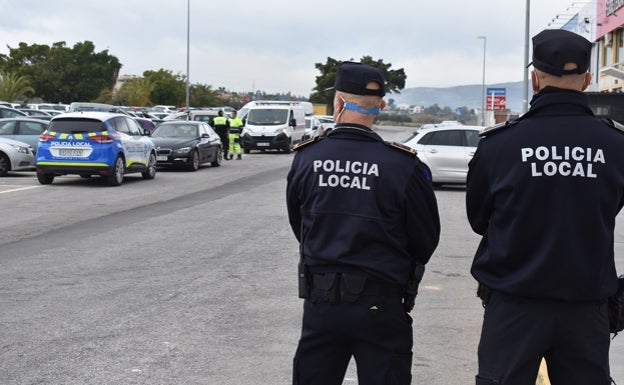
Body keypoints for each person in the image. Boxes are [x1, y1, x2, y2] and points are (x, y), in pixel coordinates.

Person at [466, 29, 624, 385]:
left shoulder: (500, 144)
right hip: (586, 307)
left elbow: (479, 220)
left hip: (513, 305)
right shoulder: (615, 144)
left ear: (534, 79)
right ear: (586, 80)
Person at [286, 61, 441, 385]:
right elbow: (425, 239)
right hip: (382, 303)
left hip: (322, 305)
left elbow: (299, 224)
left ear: (338, 103)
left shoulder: (307, 158)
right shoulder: (402, 166)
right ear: (381, 106)